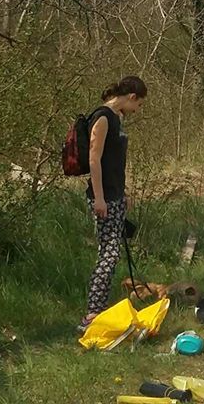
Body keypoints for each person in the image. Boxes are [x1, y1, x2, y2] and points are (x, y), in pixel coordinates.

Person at [79, 75, 148, 331]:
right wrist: (99, 198)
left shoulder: (116, 118)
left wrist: (123, 193)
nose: (137, 110)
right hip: (103, 197)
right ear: (132, 97)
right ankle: (93, 314)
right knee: (108, 255)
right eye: (138, 105)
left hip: (115, 195)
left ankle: (99, 309)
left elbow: (114, 162)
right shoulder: (103, 117)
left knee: (111, 253)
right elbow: (94, 159)